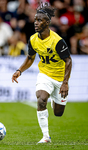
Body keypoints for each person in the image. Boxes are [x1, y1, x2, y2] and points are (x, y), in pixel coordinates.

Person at [11, 3, 72, 143]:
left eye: (39, 20)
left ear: (47, 22)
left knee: (58, 113)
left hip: (59, 78)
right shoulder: (33, 39)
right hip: (44, 75)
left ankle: (54, 100)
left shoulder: (57, 41)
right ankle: (46, 137)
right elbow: (30, 58)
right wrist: (19, 70)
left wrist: (65, 83)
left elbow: (68, 61)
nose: (36, 23)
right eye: (35, 20)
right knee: (41, 99)